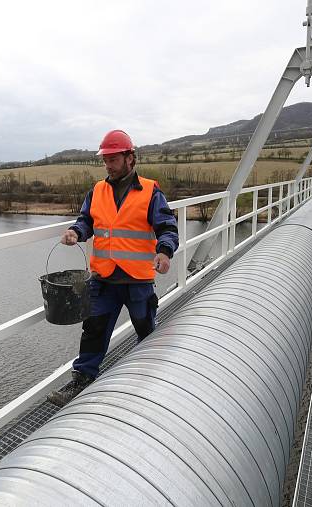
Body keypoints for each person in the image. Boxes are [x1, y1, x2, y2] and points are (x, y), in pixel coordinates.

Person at [47, 129, 179, 407]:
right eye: (105, 160)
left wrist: (164, 252)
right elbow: (86, 221)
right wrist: (76, 232)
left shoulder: (151, 192)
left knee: (145, 330)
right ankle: (82, 379)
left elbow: (167, 226)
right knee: (93, 330)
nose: (108, 165)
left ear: (130, 158)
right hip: (104, 278)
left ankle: (151, 380)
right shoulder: (97, 191)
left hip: (137, 280)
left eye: (113, 159)